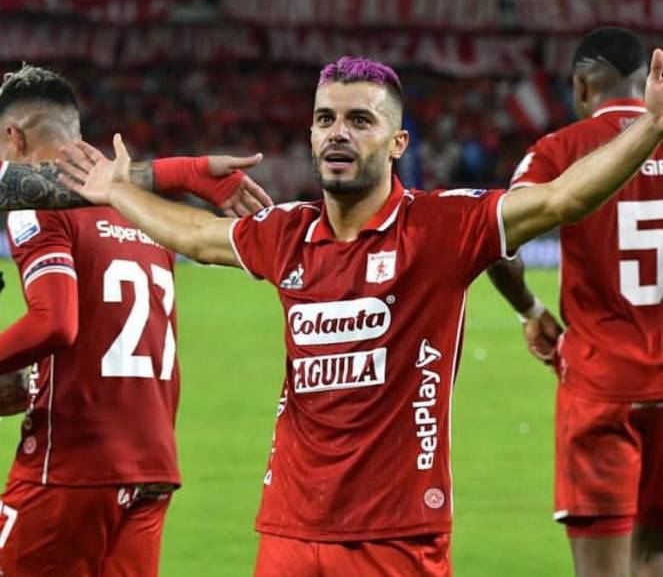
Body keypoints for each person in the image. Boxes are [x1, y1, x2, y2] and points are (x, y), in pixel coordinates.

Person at [59, 51, 663, 576]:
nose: (337, 133)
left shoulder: (441, 227)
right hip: (290, 529)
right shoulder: (286, 233)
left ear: (399, 142)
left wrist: (652, 126)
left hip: (396, 536)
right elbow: (197, 235)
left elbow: (565, 197)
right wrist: (119, 191)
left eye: (359, 120)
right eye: (325, 119)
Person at [0, 64, 271, 576]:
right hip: (152, 466)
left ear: (13, 137)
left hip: (71, 465)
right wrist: (186, 173)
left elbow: (56, 322)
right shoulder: (139, 211)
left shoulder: (38, 209)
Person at [487, 27, 663, 577]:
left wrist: (532, 311)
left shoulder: (560, 151)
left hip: (600, 388)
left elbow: (494, 240)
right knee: (653, 557)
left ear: (583, 86)